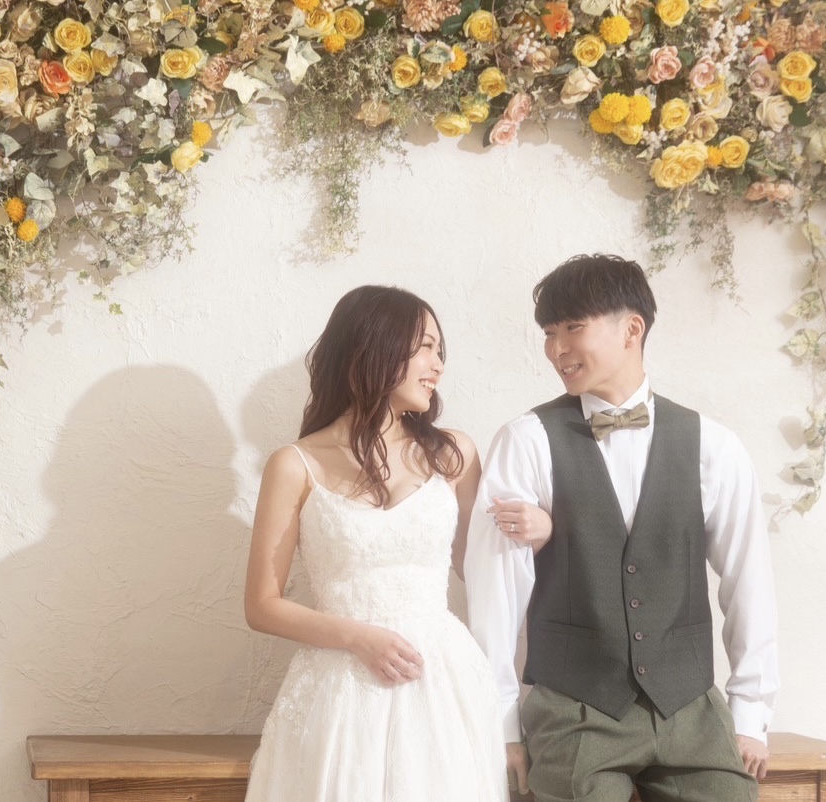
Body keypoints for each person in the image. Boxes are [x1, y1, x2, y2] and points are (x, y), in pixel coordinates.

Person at [465, 254, 779, 802]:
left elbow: (748, 581)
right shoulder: (526, 440)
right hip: (575, 711)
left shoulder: (714, 446)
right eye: (549, 332)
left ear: (632, 329)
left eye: (573, 327)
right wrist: (502, 725)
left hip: (690, 709)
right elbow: (496, 593)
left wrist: (750, 711)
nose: (556, 348)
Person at [244, 285, 508, 802]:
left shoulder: (453, 454)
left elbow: (483, 569)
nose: (438, 365)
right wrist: (358, 638)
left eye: (440, 350)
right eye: (426, 347)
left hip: (441, 683)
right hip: (339, 689)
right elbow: (261, 605)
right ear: (376, 349)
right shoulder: (294, 464)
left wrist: (540, 529)